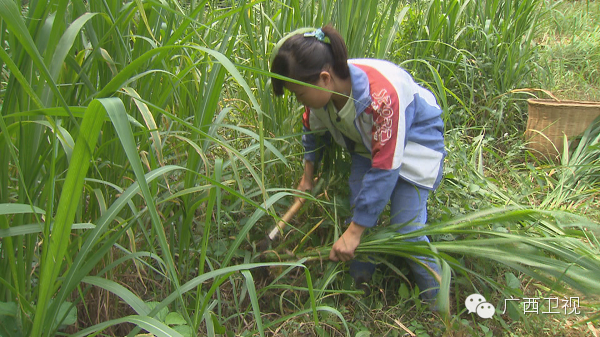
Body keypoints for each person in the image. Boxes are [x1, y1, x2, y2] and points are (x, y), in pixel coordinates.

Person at [269, 25, 446, 304]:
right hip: (369, 145)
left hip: (415, 143)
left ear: (324, 78)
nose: (299, 100)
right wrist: (307, 177)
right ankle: (359, 285)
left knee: (407, 230)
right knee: (360, 212)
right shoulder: (322, 98)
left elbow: (386, 167)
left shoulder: (381, 97)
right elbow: (311, 132)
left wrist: (352, 233)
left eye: (299, 94)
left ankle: (437, 301)